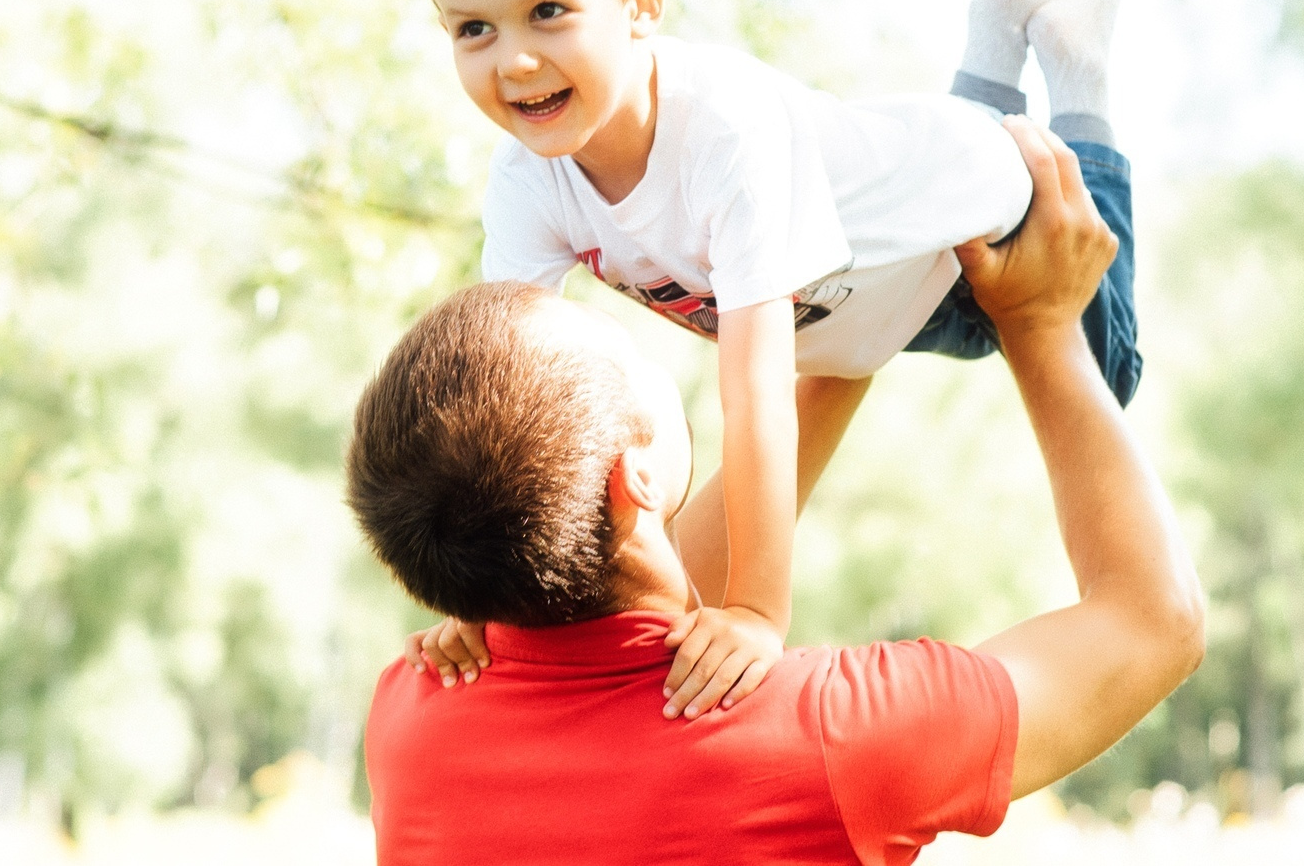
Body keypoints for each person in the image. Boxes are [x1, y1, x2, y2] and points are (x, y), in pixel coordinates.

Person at [404, 0, 1141, 719]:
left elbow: (755, 385)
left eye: (547, 11)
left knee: (1110, 372)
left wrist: (754, 608)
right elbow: (503, 396)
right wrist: (479, 605)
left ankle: (1067, 63)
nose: (513, 58)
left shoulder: (722, 129)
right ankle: (994, 38)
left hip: (981, 220)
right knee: (936, 183)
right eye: (471, 28)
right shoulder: (528, 180)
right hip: (875, 272)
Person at [346, 117, 1204, 864]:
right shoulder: (828, 734)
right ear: (634, 475)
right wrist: (1042, 324)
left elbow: (611, 580)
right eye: (627, 353)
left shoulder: (414, 718)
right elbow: (1153, 621)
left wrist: (852, 325)